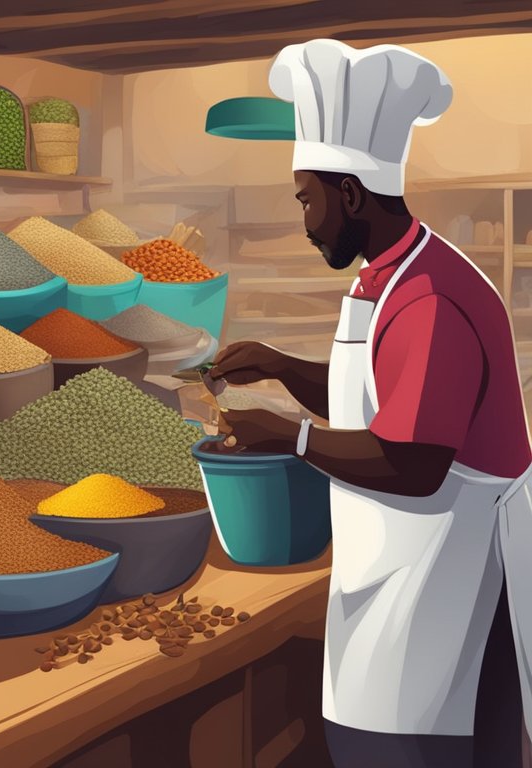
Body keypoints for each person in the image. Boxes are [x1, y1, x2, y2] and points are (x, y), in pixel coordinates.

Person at [208, 39, 532, 768]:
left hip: (448, 592)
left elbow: (414, 461)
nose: (304, 219)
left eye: (305, 199)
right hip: (395, 576)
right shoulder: (385, 274)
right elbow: (381, 402)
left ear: (348, 193)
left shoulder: (429, 296)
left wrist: (286, 437)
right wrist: (280, 366)